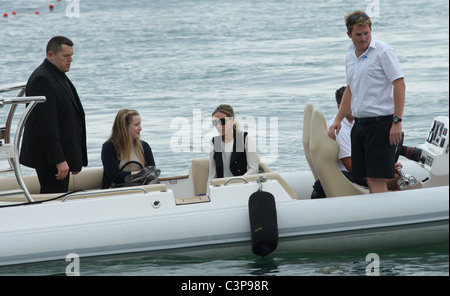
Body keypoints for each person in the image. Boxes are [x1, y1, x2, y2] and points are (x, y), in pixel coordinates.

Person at [328, 11, 406, 194]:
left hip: (381, 122)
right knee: (366, 177)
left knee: (376, 178)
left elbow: (399, 84)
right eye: (358, 34)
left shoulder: (383, 52)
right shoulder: (350, 55)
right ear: (349, 35)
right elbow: (350, 89)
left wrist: (397, 121)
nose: (363, 38)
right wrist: (338, 119)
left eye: (366, 33)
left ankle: (384, 218)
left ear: (371, 30)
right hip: (360, 124)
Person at [20, 36, 88, 194]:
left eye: (72, 55)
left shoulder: (57, 73)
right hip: (50, 159)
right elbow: (45, 126)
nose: (70, 59)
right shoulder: (42, 79)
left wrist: (75, 158)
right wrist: (59, 160)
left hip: (60, 156)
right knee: (53, 198)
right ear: (51, 55)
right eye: (66, 56)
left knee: (59, 197)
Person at [312, 87, 401, 198]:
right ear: (341, 107)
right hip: (350, 176)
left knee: (393, 172)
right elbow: (350, 165)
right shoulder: (340, 129)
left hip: (356, 172)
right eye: (353, 103)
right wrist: (381, 168)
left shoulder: (353, 125)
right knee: (397, 179)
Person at [206, 104, 259, 194]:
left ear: (232, 120)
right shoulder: (215, 143)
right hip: (222, 190)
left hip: (243, 189)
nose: (218, 126)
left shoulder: (244, 139)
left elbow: (253, 170)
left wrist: (236, 184)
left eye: (222, 122)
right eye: (215, 123)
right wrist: (208, 196)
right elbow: (212, 176)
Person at [101, 109, 156, 189]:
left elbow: (152, 172)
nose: (140, 128)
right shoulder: (109, 147)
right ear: (125, 127)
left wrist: (139, 175)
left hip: (141, 189)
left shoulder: (144, 146)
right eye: (136, 125)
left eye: (140, 124)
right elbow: (114, 176)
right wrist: (140, 174)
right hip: (116, 191)